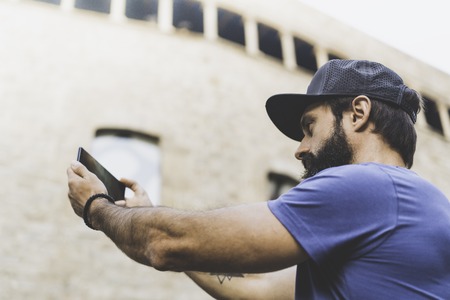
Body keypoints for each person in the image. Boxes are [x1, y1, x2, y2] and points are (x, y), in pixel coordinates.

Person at [67, 59, 450, 299]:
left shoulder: (369, 187)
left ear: (358, 113)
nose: (300, 149)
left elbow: (167, 242)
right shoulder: (404, 202)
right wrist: (170, 235)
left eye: (309, 126)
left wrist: (95, 207)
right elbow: (261, 289)